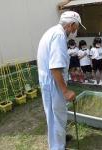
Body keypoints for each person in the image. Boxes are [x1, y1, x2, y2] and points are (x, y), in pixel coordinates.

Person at [37, 11, 86, 150]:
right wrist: (65, 91)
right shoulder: (58, 35)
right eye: (76, 27)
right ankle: (58, 147)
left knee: (56, 114)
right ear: (71, 25)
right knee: (56, 115)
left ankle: (60, 138)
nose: (76, 30)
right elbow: (55, 67)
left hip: (50, 81)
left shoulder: (53, 31)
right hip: (53, 82)